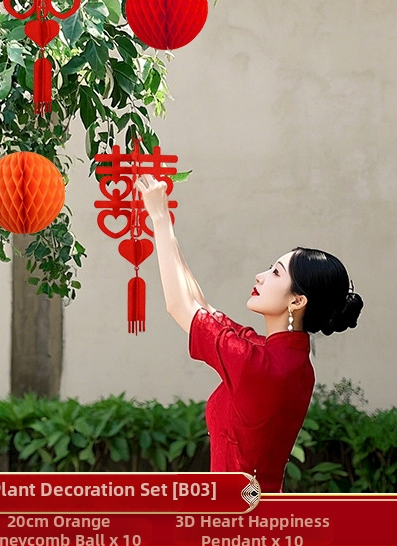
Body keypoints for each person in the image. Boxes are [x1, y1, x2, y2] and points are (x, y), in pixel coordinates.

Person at [135, 174, 364, 493]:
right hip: (260, 509)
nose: (260, 275)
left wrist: (159, 218)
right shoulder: (288, 361)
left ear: (297, 300)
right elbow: (201, 305)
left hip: (237, 518)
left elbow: (179, 306)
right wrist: (166, 227)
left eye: (275, 273)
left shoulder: (258, 364)